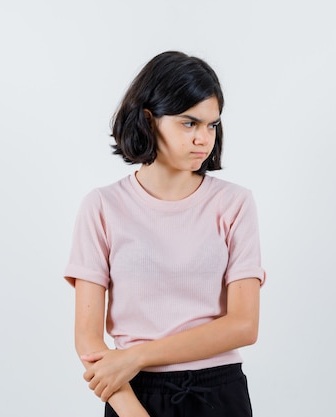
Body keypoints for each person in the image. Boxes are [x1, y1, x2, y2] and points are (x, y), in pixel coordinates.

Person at [63, 50, 266, 417]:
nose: (203, 139)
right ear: (148, 119)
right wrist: (131, 410)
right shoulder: (102, 207)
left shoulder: (235, 204)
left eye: (212, 125)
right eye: (189, 123)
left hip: (219, 394)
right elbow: (88, 339)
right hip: (133, 394)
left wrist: (137, 355)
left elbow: (244, 325)